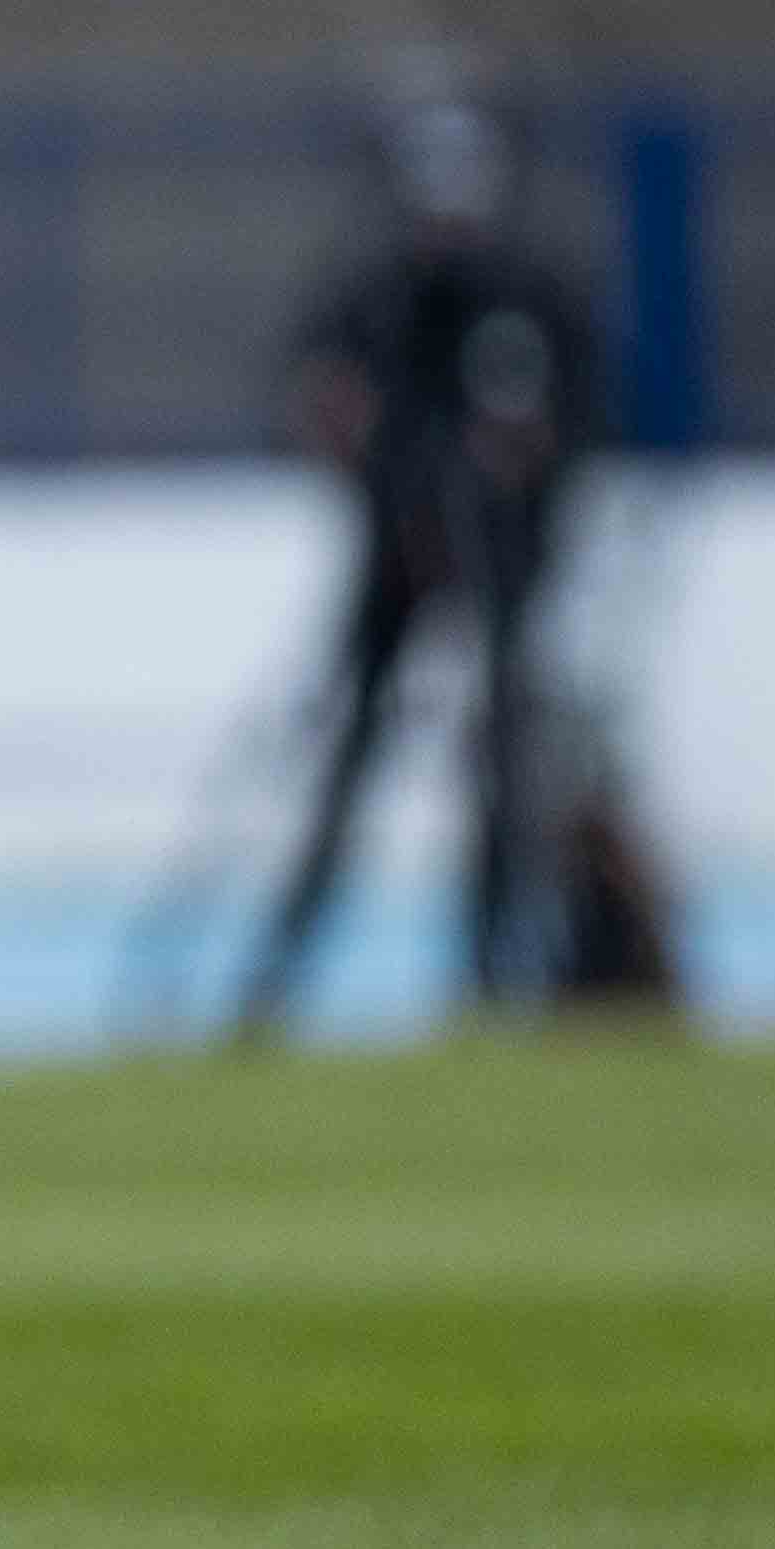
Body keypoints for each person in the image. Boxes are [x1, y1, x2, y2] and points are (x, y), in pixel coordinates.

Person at [230, 94, 615, 1038]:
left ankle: (492, 976)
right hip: (393, 554)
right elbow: (309, 392)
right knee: (349, 764)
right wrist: (347, 439)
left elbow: (582, 425)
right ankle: (281, 977)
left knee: (504, 771)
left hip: (502, 560)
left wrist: (523, 483)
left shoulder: (530, 297)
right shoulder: (374, 296)